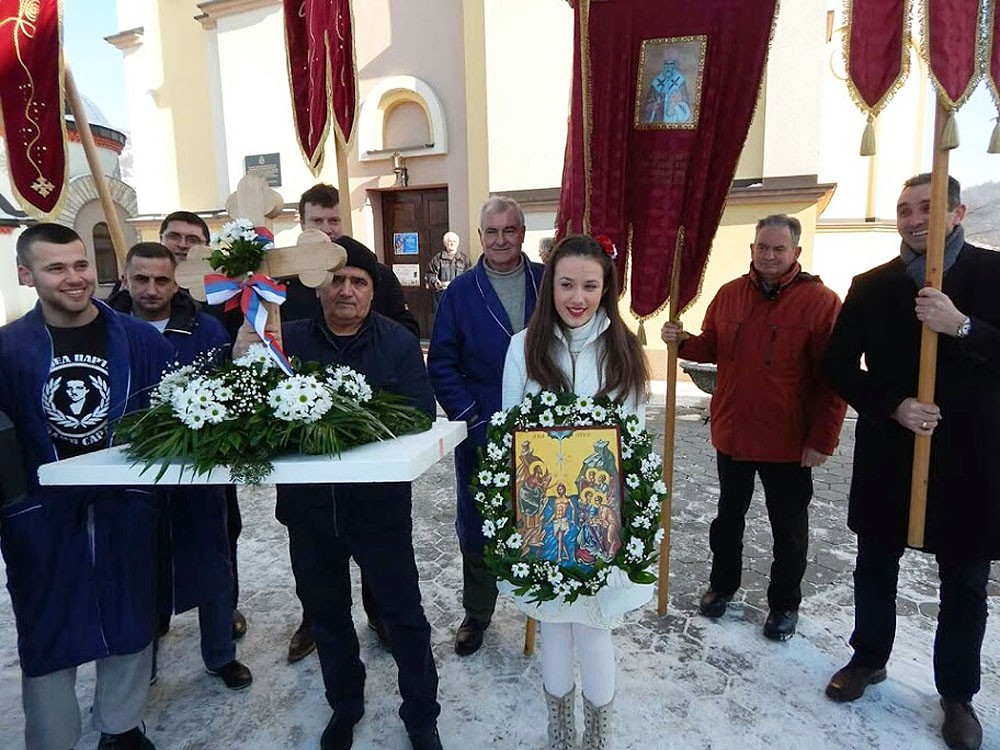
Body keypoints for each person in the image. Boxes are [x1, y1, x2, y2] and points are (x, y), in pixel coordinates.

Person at [233, 237, 442, 750]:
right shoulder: (286, 340)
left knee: (404, 617)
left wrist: (334, 423)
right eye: (336, 280)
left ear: (373, 292)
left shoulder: (396, 343)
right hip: (308, 513)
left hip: (379, 511)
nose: (345, 290)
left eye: (358, 281)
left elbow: (417, 413)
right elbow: (254, 415)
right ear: (317, 287)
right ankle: (345, 705)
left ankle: (421, 715)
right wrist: (244, 356)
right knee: (327, 616)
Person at [821, 174, 1000, 750]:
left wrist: (962, 326)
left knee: (965, 581)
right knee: (875, 564)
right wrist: (891, 404)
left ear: (958, 211)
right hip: (892, 451)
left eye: (928, 206)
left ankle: (957, 694)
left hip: (970, 456)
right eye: (904, 209)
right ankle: (869, 657)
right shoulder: (871, 286)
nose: (914, 217)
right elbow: (838, 365)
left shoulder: (993, 274)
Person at [0, 224, 173, 749]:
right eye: (56, 268)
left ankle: (121, 728)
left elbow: (169, 411)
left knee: (130, 616)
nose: (74, 278)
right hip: (44, 517)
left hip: (125, 507)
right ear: (26, 275)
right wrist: (18, 505)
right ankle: (53, 739)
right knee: (48, 629)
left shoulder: (139, 339)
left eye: (80, 264)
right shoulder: (8, 349)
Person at [661, 214, 846, 641]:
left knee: (788, 530)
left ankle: (784, 604)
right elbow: (712, 345)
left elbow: (832, 382)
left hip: (789, 442)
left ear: (796, 253)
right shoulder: (729, 295)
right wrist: (683, 340)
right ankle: (722, 586)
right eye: (762, 247)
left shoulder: (821, 304)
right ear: (752, 249)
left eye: (778, 249)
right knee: (728, 520)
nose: (768, 255)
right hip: (735, 435)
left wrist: (822, 440)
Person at [501, 234, 652, 750]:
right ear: (550, 286)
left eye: (590, 285)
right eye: (566, 284)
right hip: (544, 514)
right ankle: (559, 727)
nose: (577, 297)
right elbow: (510, 431)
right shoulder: (522, 347)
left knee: (593, 623)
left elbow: (631, 438)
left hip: (598, 514)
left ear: (606, 289)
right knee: (553, 622)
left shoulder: (623, 351)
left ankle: (598, 733)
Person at [108, 242, 252, 690]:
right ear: (126, 278)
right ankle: (141, 666)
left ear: (176, 282)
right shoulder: (108, 329)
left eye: (162, 280)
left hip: (197, 469)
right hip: (132, 474)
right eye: (141, 279)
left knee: (212, 562)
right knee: (139, 572)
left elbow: (229, 388)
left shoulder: (205, 330)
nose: (151, 289)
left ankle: (220, 655)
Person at [282, 182, 414, 663]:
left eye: (333, 221)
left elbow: (409, 358)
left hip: (374, 486)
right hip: (308, 487)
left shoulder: (372, 278)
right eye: (317, 222)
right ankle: (314, 621)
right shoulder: (285, 284)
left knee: (388, 582)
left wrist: (365, 397)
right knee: (320, 585)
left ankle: (380, 617)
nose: (345, 290)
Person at [427, 196, 545, 656]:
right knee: (478, 527)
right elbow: (442, 363)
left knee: (541, 518)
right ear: (480, 237)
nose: (500, 240)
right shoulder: (460, 292)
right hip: (483, 431)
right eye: (491, 232)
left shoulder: (547, 282)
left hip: (543, 430)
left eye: (509, 231)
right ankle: (478, 612)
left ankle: (545, 603)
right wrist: (471, 418)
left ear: (522, 233)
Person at [159, 210, 249, 643]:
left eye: (192, 239)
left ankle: (221, 618)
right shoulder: (123, 306)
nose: (181, 244)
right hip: (153, 447)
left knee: (218, 532)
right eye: (173, 236)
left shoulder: (219, 302)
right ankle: (153, 619)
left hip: (211, 443)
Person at [426, 231, 470, 310]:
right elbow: (430, 274)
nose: (452, 243)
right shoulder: (438, 258)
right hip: (442, 296)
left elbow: (470, 276)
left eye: (454, 241)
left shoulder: (464, 259)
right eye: (450, 241)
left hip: (460, 296)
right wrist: (436, 283)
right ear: (445, 243)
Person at [641, 55, 691, 124]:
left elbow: (685, 103)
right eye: (666, 64)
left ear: (675, 65)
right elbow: (647, 105)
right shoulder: (656, 82)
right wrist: (653, 106)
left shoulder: (680, 81)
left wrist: (676, 105)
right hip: (658, 122)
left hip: (675, 122)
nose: (668, 67)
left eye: (671, 64)